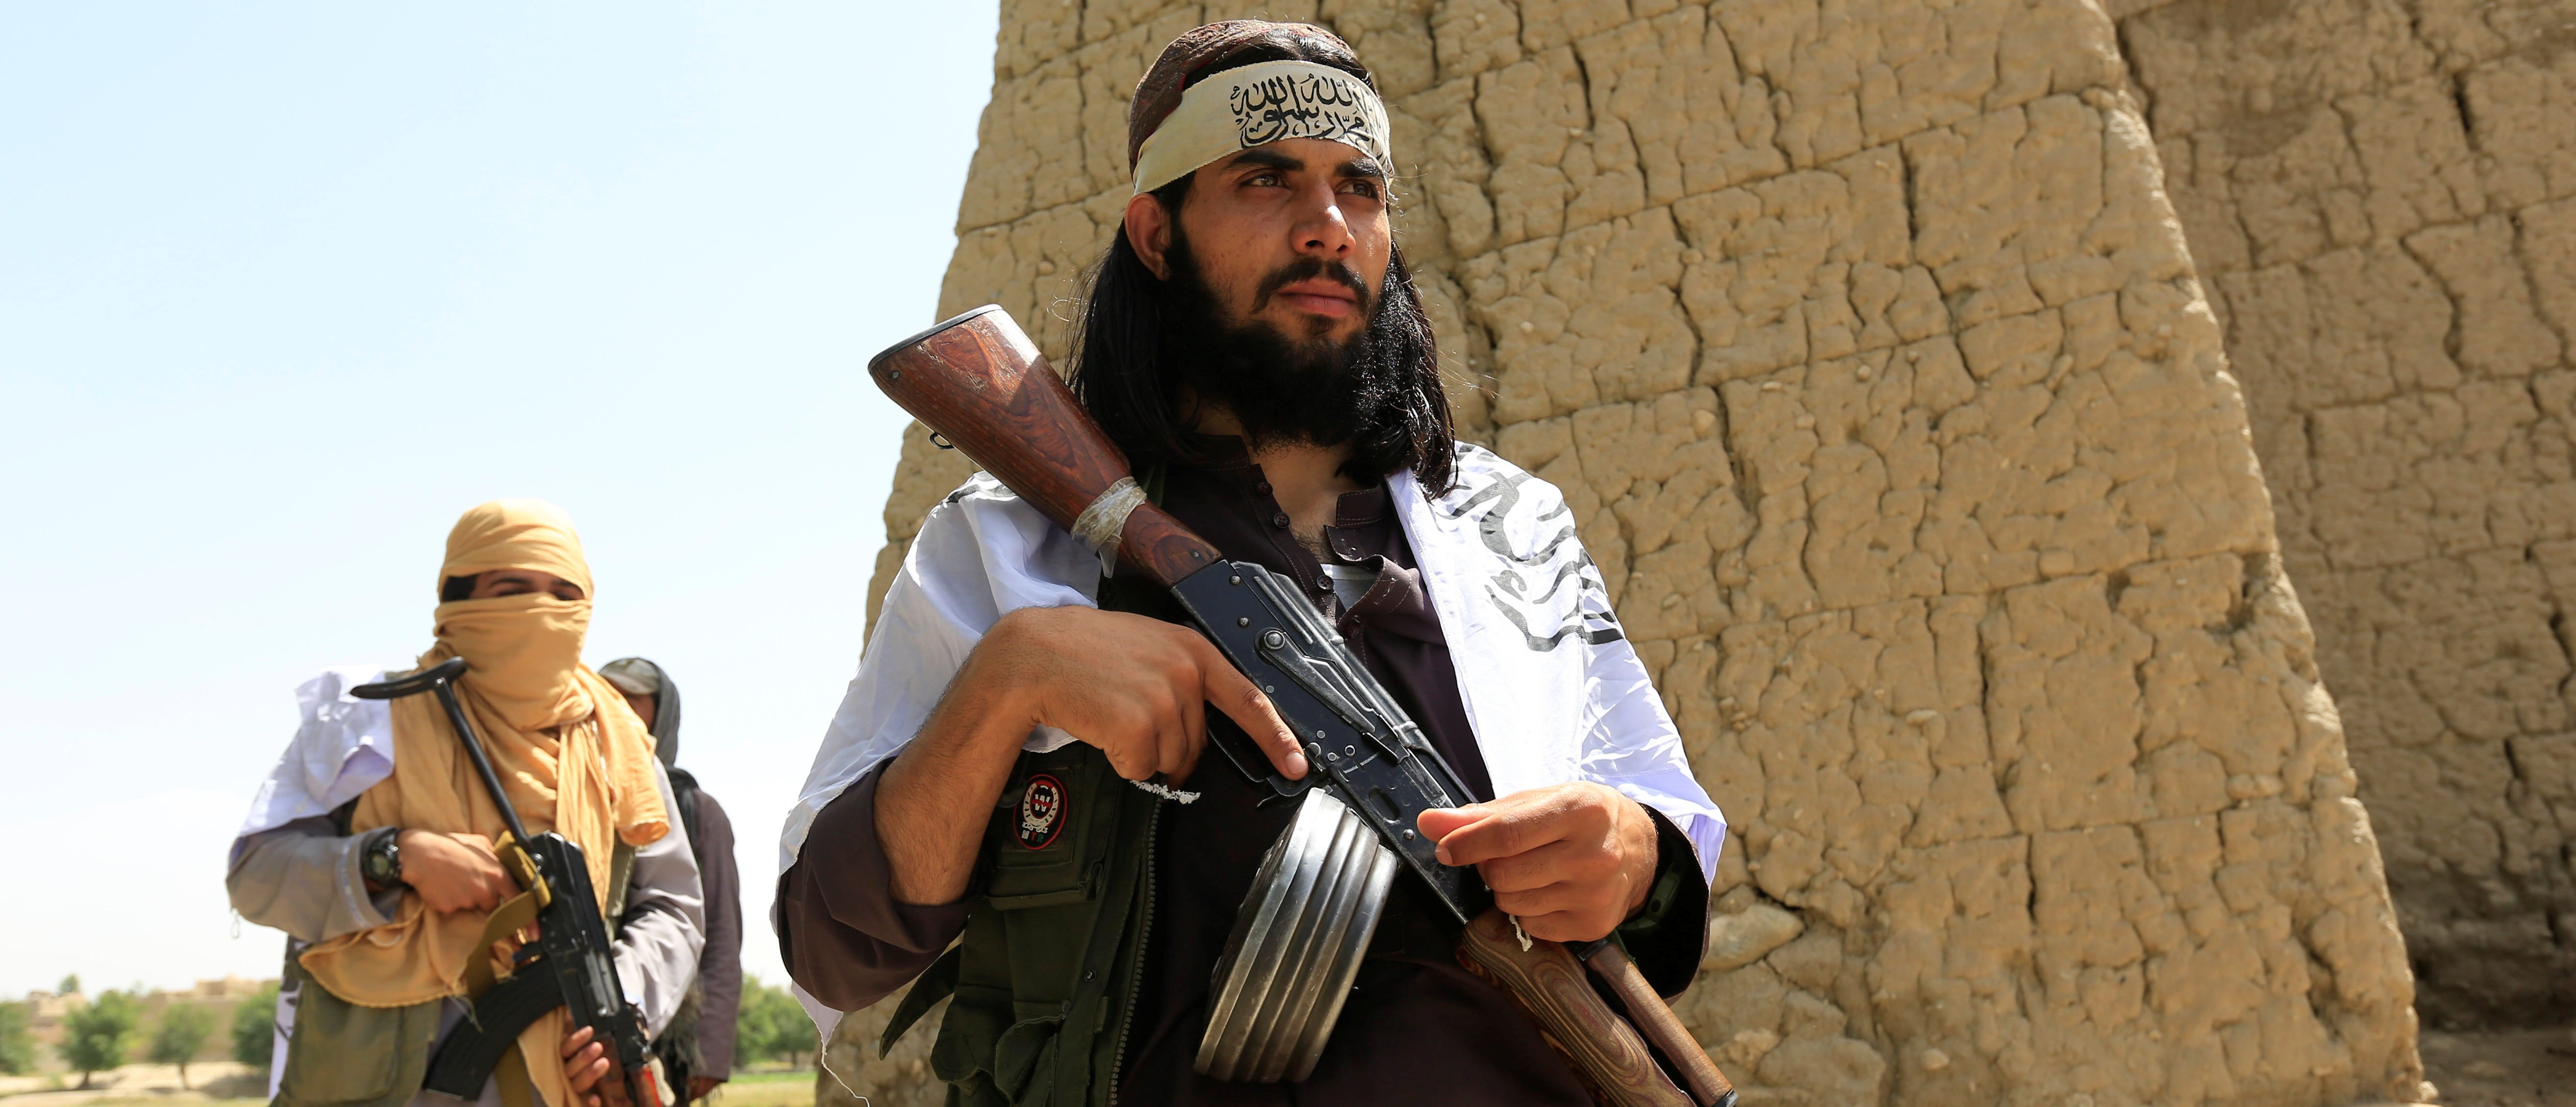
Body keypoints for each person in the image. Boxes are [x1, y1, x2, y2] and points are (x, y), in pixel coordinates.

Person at [775, 20, 1726, 1106]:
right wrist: (1009, 678)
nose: (1327, 227)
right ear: (1156, 232)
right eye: (1265, 179)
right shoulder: (1006, 543)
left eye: (1359, 188)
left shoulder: (1507, 525)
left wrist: (1633, 850)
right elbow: (829, 945)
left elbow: (1657, 804)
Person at [228, 499, 704, 1107]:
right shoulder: (364, 722)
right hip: (386, 1078)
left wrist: (622, 1005)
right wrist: (396, 857)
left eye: (563, 594)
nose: (541, 613)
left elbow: (672, 906)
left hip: (567, 1080)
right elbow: (257, 875)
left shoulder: (619, 743)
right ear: (456, 600)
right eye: (512, 589)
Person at [597, 658, 741, 1107]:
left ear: (662, 715)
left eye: (632, 700)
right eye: (608, 697)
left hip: (667, 1028)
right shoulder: (578, 795)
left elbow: (718, 934)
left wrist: (709, 1054)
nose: (618, 709)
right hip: (585, 1028)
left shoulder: (697, 810)